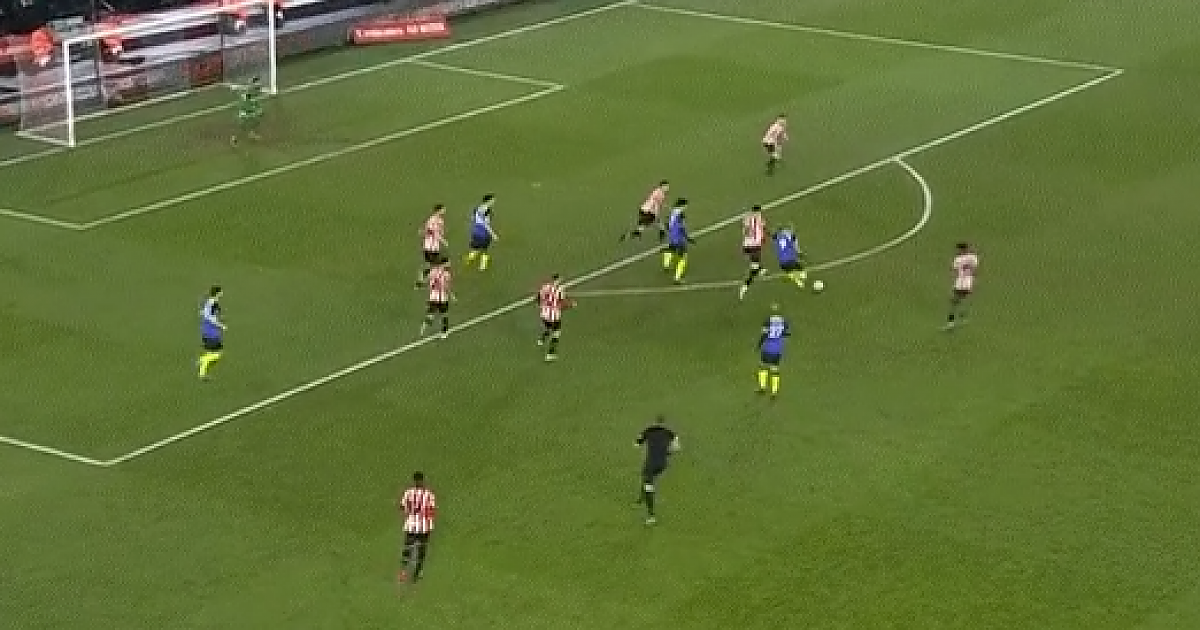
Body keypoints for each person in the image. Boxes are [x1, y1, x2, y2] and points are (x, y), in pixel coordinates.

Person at [634, 415, 680, 525]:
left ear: (655, 422)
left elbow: (636, 444)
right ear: (664, 423)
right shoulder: (670, 433)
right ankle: (641, 498)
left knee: (648, 485)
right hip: (662, 464)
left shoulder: (648, 430)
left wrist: (642, 442)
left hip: (651, 464)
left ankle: (651, 516)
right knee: (647, 477)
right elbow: (677, 448)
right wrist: (666, 453)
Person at [397, 471, 437, 584]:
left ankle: (403, 572)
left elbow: (402, 507)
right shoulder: (429, 494)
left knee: (407, 548)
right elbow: (431, 510)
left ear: (414, 481)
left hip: (411, 525)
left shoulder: (408, 493)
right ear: (422, 480)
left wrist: (409, 512)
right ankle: (417, 573)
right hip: (424, 527)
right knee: (421, 550)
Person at [757, 303, 789, 397]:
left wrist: (759, 345)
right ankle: (774, 391)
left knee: (762, 366)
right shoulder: (784, 322)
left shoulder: (768, 321)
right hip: (778, 349)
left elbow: (764, 334)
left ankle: (762, 387)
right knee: (775, 369)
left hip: (768, 348)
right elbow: (786, 334)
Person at [537, 274, 571, 361]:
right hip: (554, 316)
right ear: (558, 280)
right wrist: (571, 305)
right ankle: (550, 354)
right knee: (556, 333)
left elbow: (538, 297)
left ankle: (542, 340)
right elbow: (562, 304)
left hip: (544, 314)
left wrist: (541, 306)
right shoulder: (559, 290)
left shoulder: (545, 287)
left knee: (548, 327)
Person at [945, 242, 978, 330]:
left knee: (954, 301)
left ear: (962, 249)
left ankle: (951, 322)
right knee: (960, 300)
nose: (957, 251)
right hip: (968, 282)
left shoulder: (958, 259)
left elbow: (955, 270)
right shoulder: (973, 257)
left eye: (958, 249)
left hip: (960, 282)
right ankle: (962, 317)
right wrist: (972, 283)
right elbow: (974, 270)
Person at [661, 199, 694, 284]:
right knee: (683, 258)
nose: (686, 207)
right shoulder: (681, 214)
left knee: (670, 249)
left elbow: (667, 224)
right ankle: (677, 278)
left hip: (671, 237)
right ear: (683, 205)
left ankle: (666, 264)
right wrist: (687, 237)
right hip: (679, 239)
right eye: (686, 205)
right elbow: (682, 227)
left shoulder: (672, 212)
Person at [738, 205, 767, 300]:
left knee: (754, 263)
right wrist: (762, 238)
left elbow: (745, 230)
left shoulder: (746, 218)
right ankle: (745, 286)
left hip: (746, 245)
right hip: (754, 246)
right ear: (758, 211)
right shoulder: (760, 219)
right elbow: (763, 229)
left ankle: (760, 269)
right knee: (754, 267)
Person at [463, 194, 498, 271]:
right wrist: (493, 234)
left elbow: (473, 218)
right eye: (493, 200)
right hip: (484, 232)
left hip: (476, 230)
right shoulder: (487, 211)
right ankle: (482, 266)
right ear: (488, 201)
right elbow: (486, 224)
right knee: (484, 250)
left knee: (476, 248)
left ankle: (469, 258)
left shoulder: (477, 208)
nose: (494, 201)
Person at [416, 204, 447, 287]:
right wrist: (443, 241)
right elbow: (432, 231)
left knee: (432, 265)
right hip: (430, 247)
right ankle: (425, 280)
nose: (444, 211)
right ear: (438, 210)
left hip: (434, 246)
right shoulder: (433, 220)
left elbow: (428, 230)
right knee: (436, 265)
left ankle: (422, 280)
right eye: (443, 209)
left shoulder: (439, 220)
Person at [198, 286, 226, 379]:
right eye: (221, 291)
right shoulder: (213, 303)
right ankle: (202, 371)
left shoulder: (209, 302)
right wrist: (221, 325)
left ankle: (202, 361)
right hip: (211, 332)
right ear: (218, 293)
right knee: (217, 354)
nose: (222, 293)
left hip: (208, 331)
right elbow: (210, 318)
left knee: (212, 352)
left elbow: (204, 312)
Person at [230, 76, 264, 146]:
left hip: (249, 109)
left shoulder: (253, 91)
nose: (259, 84)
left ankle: (252, 133)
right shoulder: (249, 92)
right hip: (245, 111)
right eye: (257, 83)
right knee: (242, 126)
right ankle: (234, 138)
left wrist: (258, 108)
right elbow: (247, 102)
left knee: (256, 121)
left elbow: (255, 101)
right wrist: (256, 110)